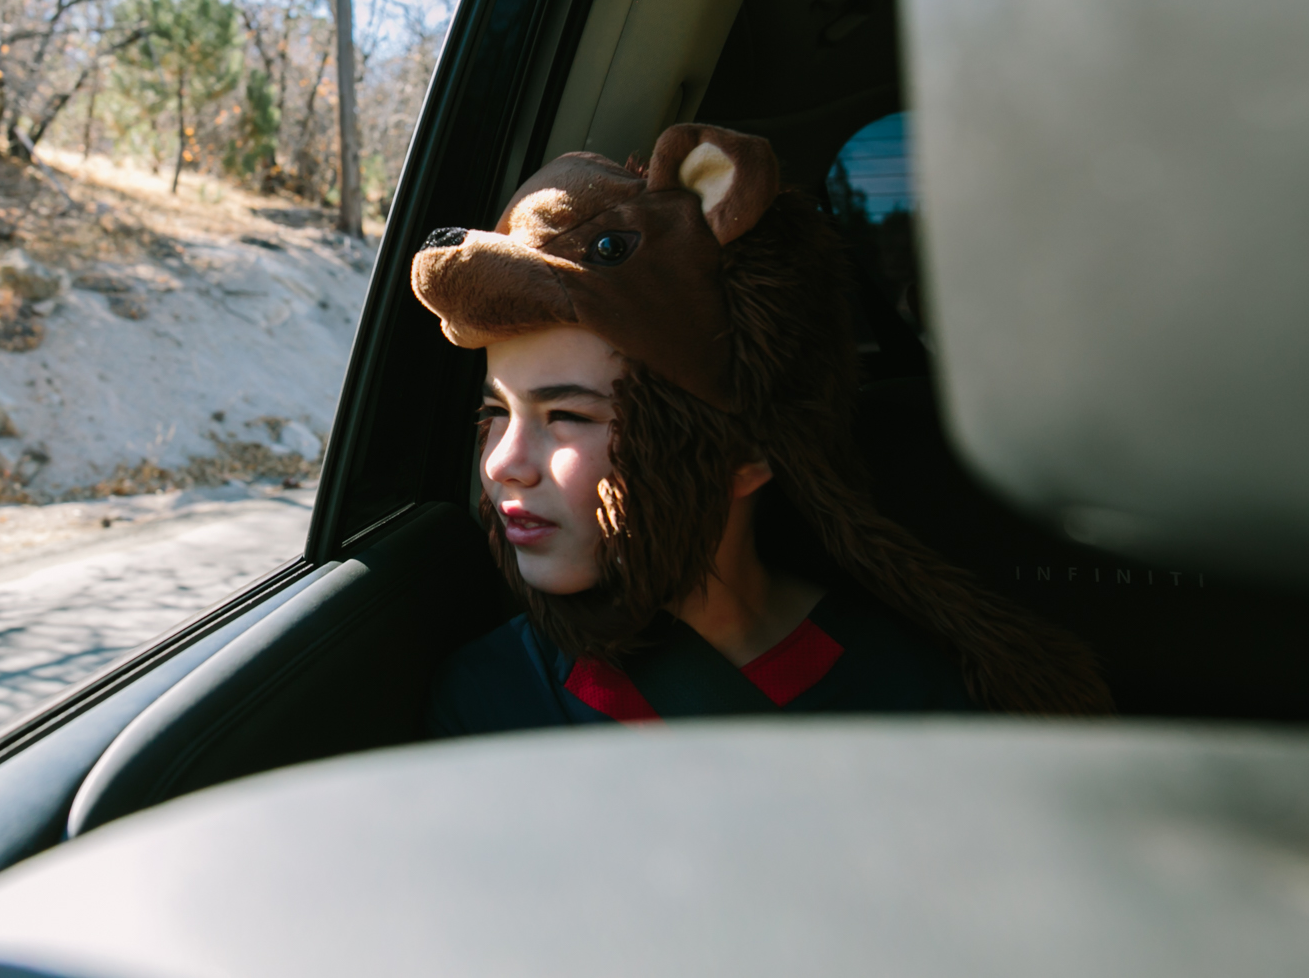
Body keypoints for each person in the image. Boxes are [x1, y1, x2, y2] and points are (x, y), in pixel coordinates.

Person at [410, 124, 1112, 733]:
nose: (504, 462)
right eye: (495, 412)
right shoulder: (490, 697)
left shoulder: (909, 696)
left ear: (746, 449)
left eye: (566, 415)